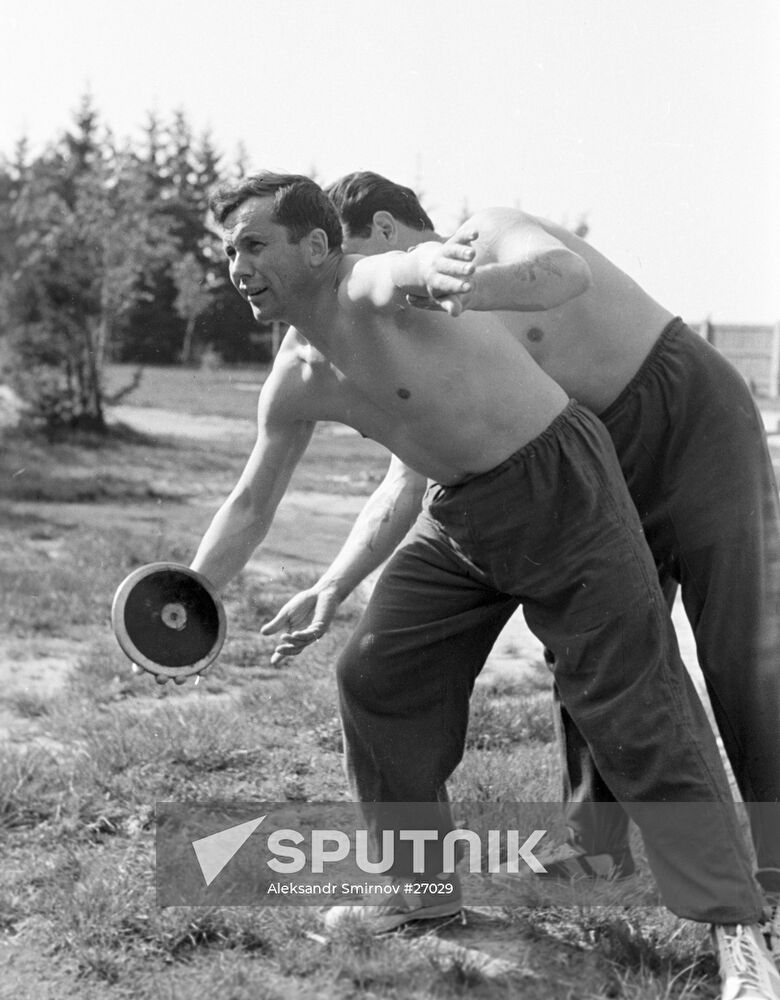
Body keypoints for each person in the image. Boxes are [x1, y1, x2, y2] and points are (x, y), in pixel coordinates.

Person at [188, 170, 778, 998]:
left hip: (564, 490)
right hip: (461, 514)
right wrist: (188, 595)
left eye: (253, 245)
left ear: (320, 247)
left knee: (636, 707)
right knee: (377, 674)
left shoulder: (373, 281)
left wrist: (448, 276)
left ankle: (740, 932)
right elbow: (251, 502)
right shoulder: (293, 378)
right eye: (227, 251)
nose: (236, 266)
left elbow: (417, 272)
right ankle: (418, 897)